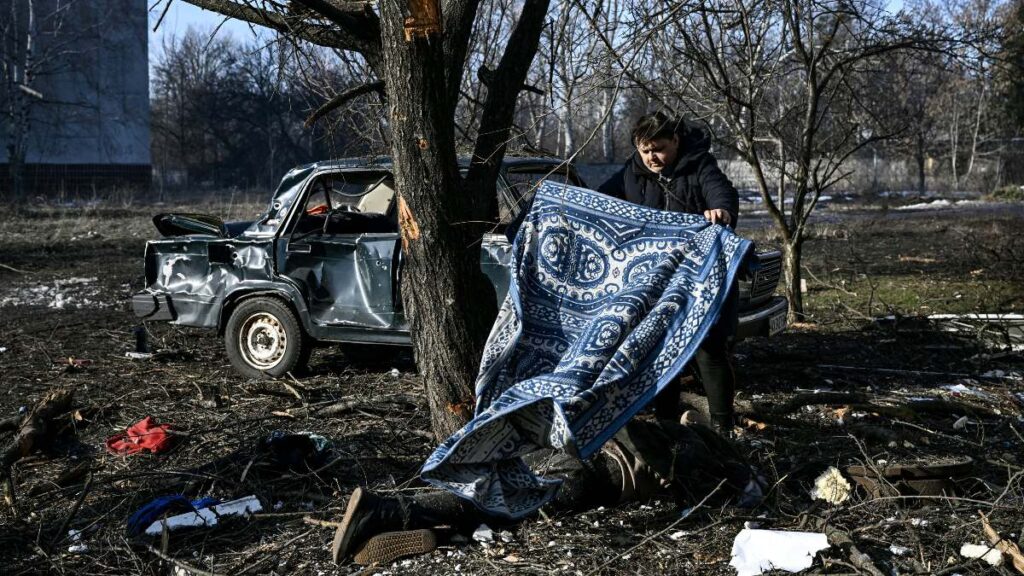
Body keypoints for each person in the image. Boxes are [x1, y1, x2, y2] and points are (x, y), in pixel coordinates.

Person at [332, 416, 760, 565]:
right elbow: (703, 493)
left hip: (569, 452)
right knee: (499, 507)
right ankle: (386, 513)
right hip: (596, 476)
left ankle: (420, 526)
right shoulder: (691, 449)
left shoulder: (659, 428)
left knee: (494, 497)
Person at [598, 111, 741, 434]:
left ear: (675, 141)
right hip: (657, 279)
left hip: (702, 275)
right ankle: (666, 425)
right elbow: (600, 202)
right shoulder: (630, 173)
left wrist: (722, 211)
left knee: (709, 348)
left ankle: (723, 427)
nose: (652, 157)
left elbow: (722, 193)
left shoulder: (700, 165)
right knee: (661, 350)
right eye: (645, 150)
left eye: (659, 148)